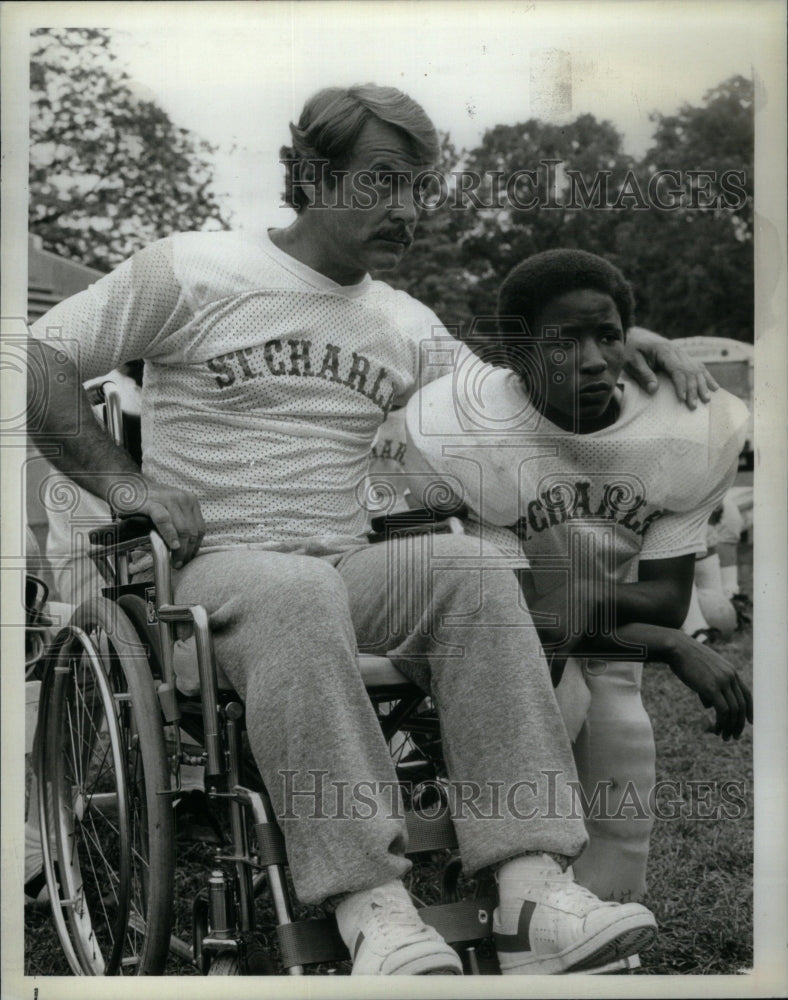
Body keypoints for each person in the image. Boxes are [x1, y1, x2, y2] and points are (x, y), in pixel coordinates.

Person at [27, 85, 717, 976]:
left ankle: (531, 891)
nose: (410, 210)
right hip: (211, 574)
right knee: (297, 586)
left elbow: (518, 406)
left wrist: (627, 342)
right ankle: (374, 910)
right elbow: (38, 358)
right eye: (385, 181)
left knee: (470, 570)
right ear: (312, 177)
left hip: (346, 570)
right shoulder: (191, 269)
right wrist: (127, 484)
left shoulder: (403, 321)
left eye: (422, 188)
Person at [404, 248, 753, 904]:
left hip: (611, 640)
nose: (594, 360)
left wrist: (602, 601)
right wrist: (673, 646)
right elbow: (532, 624)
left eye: (610, 336)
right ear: (518, 353)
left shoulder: (678, 433)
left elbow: (671, 600)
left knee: (625, 795)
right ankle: (519, 916)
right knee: (534, 791)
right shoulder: (477, 429)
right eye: (566, 342)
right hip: (515, 652)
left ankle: (609, 942)